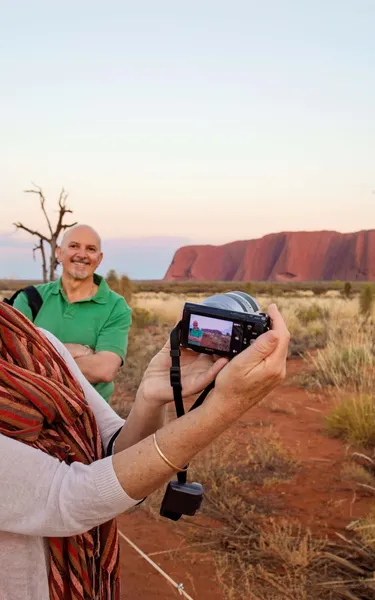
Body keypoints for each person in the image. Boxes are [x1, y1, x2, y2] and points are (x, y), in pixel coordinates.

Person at [0, 301, 289, 600]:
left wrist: (151, 396)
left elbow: (109, 453)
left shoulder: (35, 341)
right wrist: (222, 410)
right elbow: (68, 497)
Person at [13, 224, 131, 403]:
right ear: (59, 253)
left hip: (88, 416)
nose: (82, 254)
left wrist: (37, 355)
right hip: (29, 409)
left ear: (99, 259)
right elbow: (12, 358)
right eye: (74, 246)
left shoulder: (116, 306)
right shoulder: (29, 299)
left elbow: (104, 369)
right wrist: (76, 351)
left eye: (90, 249)